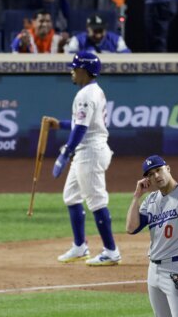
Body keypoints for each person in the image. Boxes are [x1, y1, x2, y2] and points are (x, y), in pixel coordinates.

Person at [46, 52, 121, 266]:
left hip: (90, 152)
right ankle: (80, 247)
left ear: (84, 71)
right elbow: (83, 123)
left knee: (96, 200)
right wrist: (59, 124)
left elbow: (81, 127)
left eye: (75, 67)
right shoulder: (92, 91)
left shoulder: (86, 94)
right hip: (87, 150)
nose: (72, 71)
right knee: (71, 196)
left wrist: (66, 151)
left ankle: (111, 251)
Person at [126, 155, 178, 317]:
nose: (156, 176)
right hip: (153, 270)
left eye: (158, 170)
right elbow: (131, 228)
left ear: (167, 169)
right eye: (150, 174)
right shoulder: (151, 200)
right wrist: (137, 196)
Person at [64, 13, 130, 53]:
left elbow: (127, 58)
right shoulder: (77, 40)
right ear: (88, 28)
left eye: (101, 31)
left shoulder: (116, 40)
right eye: (95, 31)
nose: (98, 35)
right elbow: (68, 60)